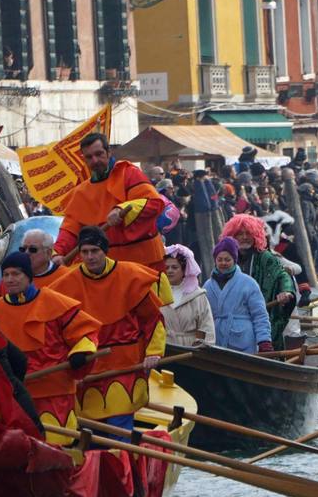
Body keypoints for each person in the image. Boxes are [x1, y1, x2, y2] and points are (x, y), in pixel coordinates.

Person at [52, 226, 170, 433]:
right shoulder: (65, 284)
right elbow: (59, 332)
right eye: (85, 252)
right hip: (88, 369)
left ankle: (121, 460)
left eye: (95, 251)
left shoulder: (131, 276)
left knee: (119, 429)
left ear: (104, 251)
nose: (90, 257)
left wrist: (154, 353)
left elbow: (153, 320)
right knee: (93, 433)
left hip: (124, 365)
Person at [0, 251, 101, 445]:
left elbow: (86, 334)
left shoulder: (56, 303)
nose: (10, 279)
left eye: (16, 274)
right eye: (6, 274)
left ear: (29, 276)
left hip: (53, 393)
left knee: (57, 447)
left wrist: (81, 352)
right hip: (12, 397)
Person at [54, 133, 166, 271]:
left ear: (108, 152)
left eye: (99, 154)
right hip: (107, 268)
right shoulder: (80, 192)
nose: (95, 160)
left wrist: (121, 209)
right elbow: (70, 229)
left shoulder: (129, 173)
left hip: (145, 262)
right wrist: (58, 252)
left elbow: (154, 204)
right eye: (89, 157)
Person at [221, 213, 295, 348]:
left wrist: (286, 291)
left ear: (255, 235)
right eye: (239, 234)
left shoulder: (266, 258)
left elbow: (282, 275)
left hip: (260, 321)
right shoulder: (225, 260)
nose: (244, 237)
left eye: (248, 233)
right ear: (232, 236)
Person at [204, 236, 273, 353]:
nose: (223, 263)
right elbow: (202, 316)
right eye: (219, 259)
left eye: (227, 259)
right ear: (215, 260)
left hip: (243, 341)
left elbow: (260, 315)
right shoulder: (208, 286)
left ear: (234, 260)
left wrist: (264, 340)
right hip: (215, 340)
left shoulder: (249, 283)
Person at [162, 243, 215, 346]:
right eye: (167, 267)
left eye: (174, 267)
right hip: (165, 350)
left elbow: (206, 326)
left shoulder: (197, 295)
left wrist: (203, 347)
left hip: (190, 353)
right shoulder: (157, 294)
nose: (170, 271)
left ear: (184, 270)